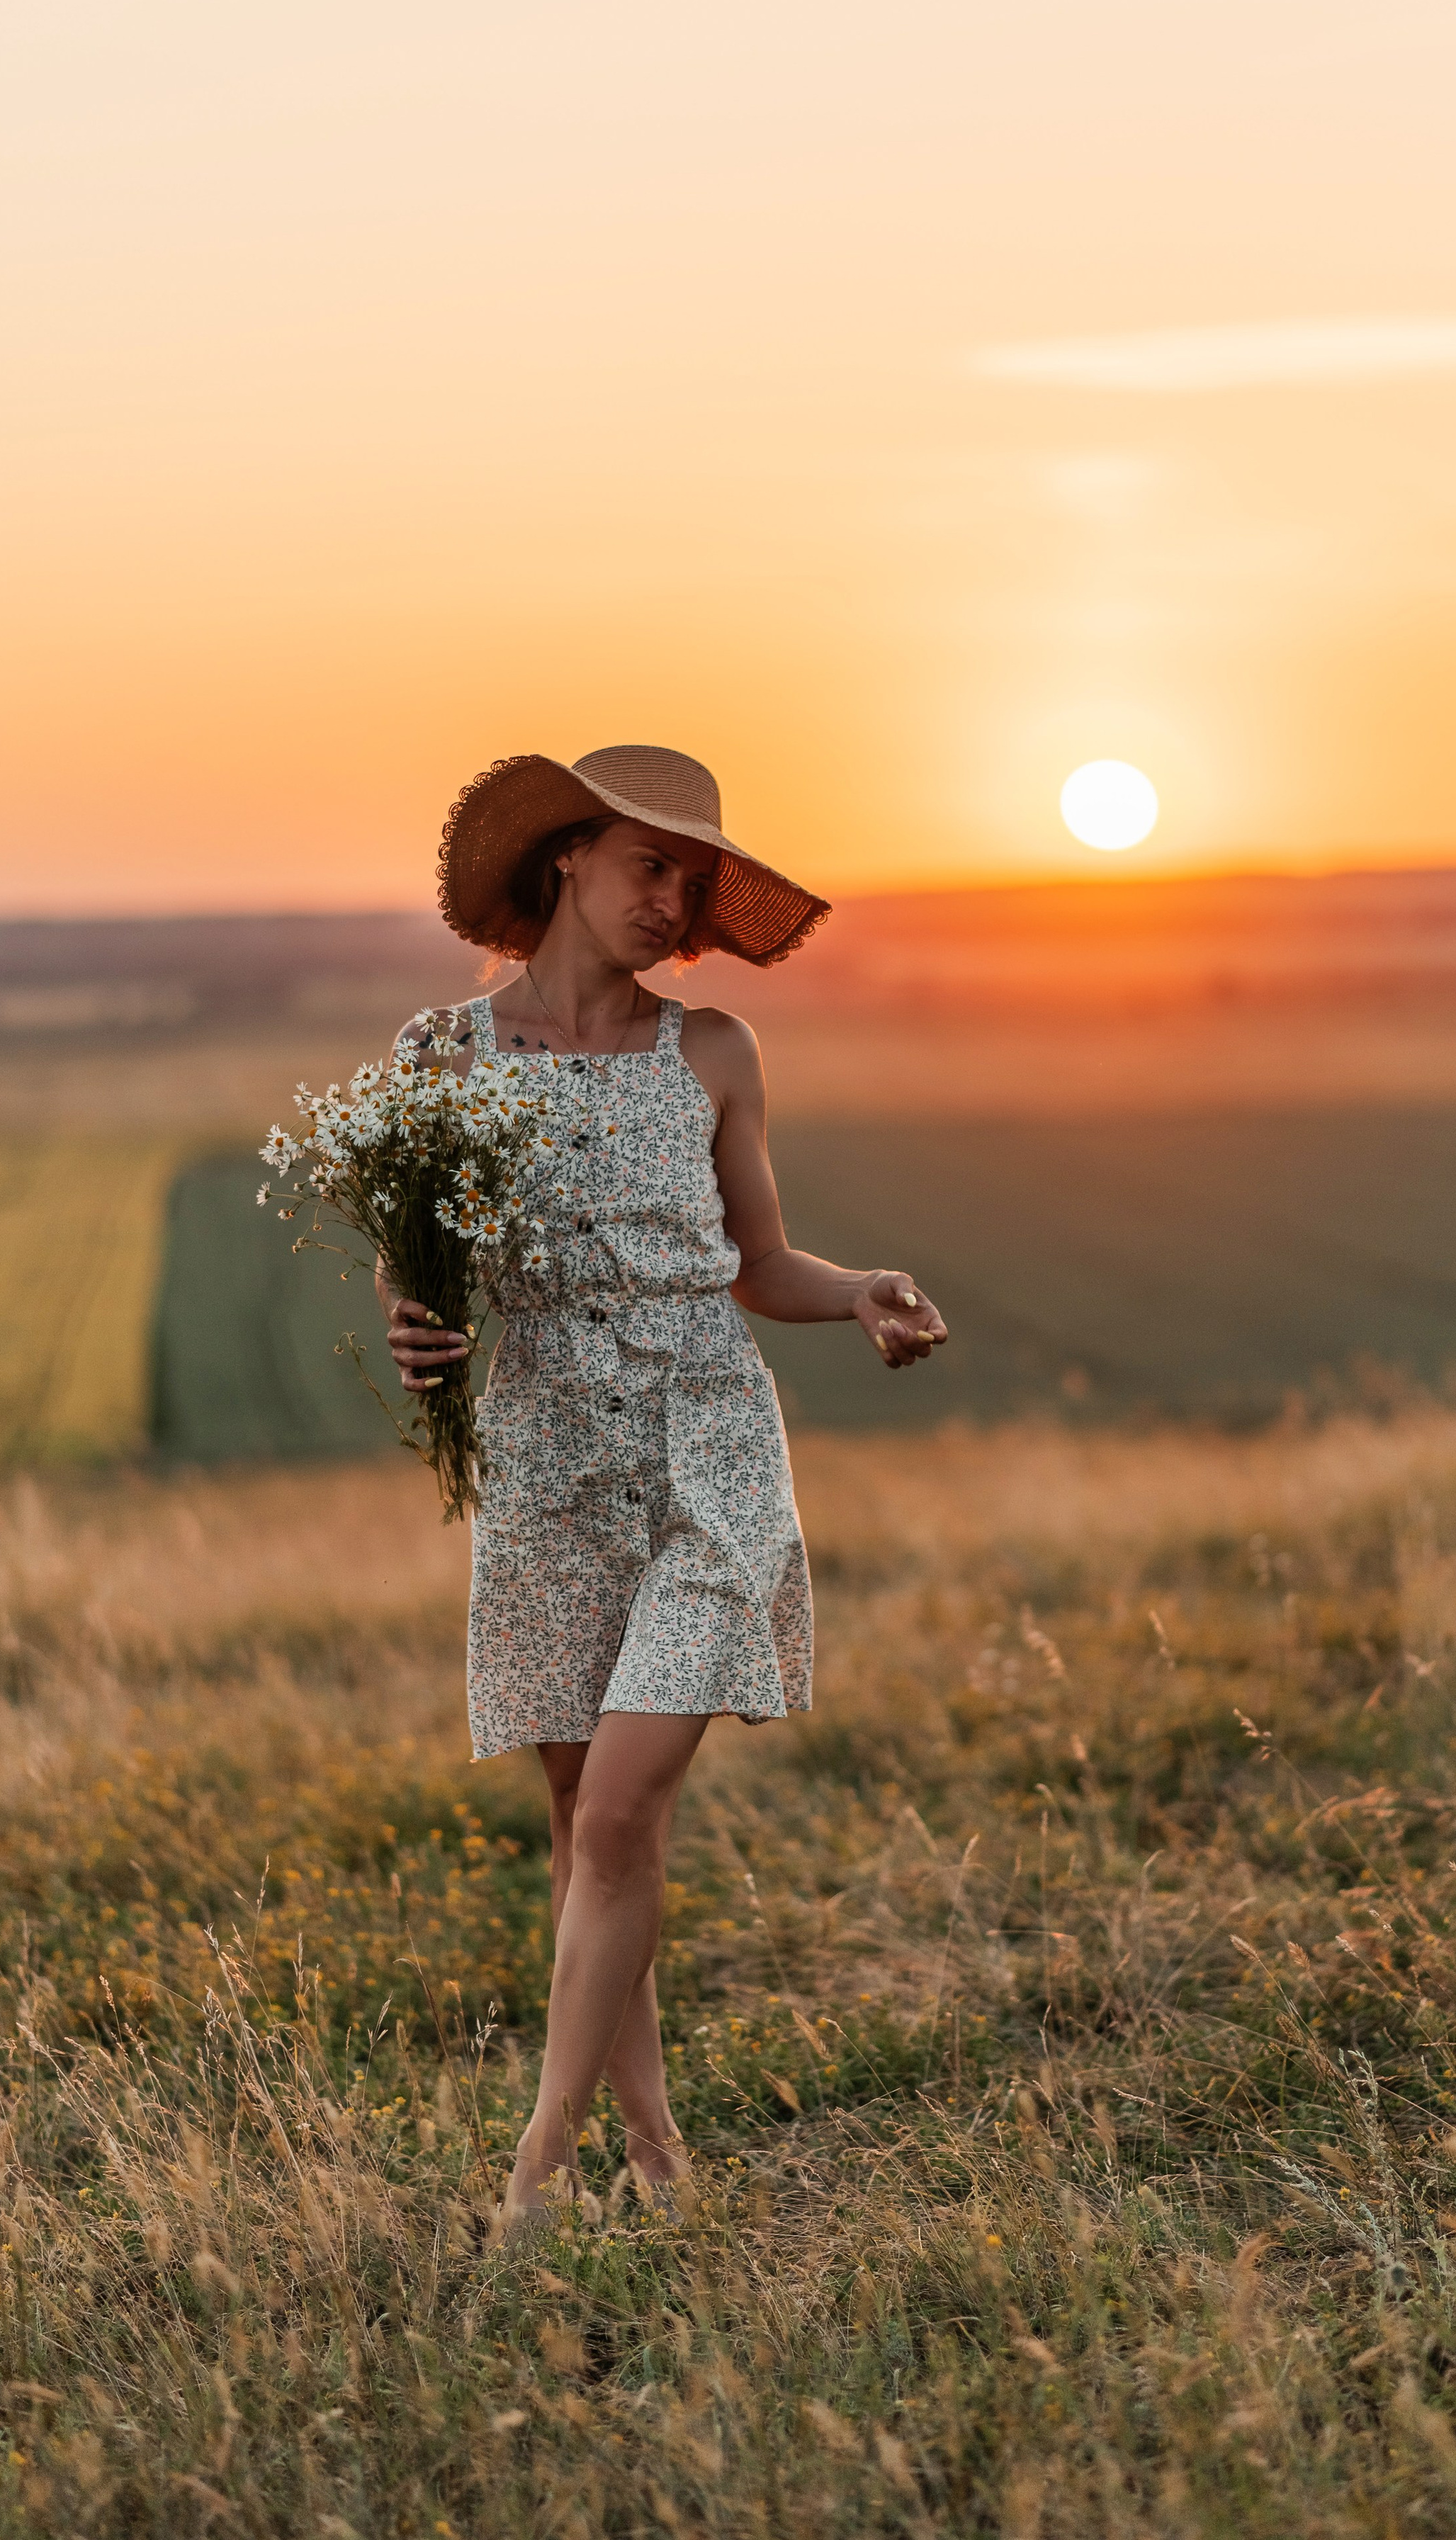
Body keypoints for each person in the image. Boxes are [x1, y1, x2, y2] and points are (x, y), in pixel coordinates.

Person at [378, 745, 947, 2235]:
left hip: (709, 1447)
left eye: (691, 881)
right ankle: (659, 2156)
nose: (672, 899)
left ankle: (533, 2181)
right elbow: (415, 1266)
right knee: (586, 1827)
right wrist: (411, 1321)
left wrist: (863, 1288)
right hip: (548, 1453)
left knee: (625, 1806)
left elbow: (761, 1263)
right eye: (650, 866)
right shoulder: (442, 1054)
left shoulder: (713, 1052)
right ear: (565, 856)